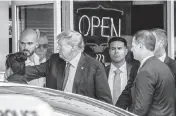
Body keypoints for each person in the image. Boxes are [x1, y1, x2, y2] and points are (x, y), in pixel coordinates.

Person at [22, 30, 112, 104]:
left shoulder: (94, 67)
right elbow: (33, 71)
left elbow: (105, 102)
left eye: (60, 45)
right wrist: (11, 71)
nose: (57, 48)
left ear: (73, 47)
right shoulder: (55, 60)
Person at [130, 30, 175, 116]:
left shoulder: (146, 71)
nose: (131, 50)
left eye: (133, 46)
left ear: (140, 46)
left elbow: (141, 108)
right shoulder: (163, 66)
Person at [105, 36, 139, 105]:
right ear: (109, 51)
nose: (116, 52)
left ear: (126, 51)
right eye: (113, 49)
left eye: (119, 48)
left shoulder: (135, 72)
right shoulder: (102, 72)